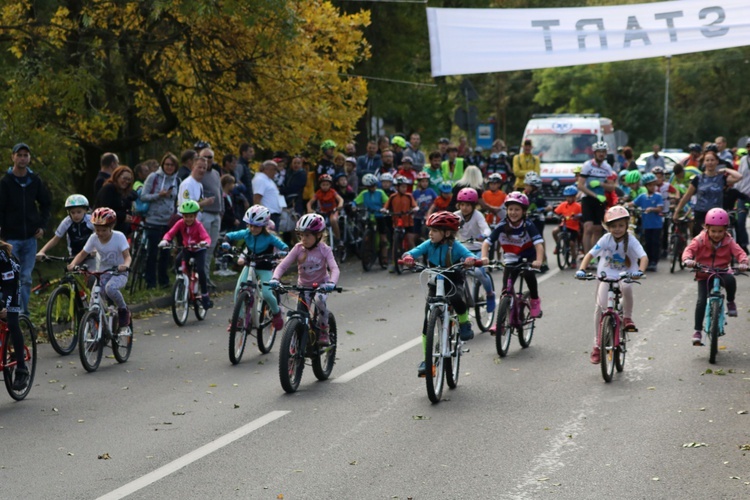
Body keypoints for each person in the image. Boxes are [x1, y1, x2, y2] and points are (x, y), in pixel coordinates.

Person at [400, 211, 478, 376]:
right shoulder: (428, 244)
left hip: (453, 280)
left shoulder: (455, 246)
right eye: (430, 230)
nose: (430, 233)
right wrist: (407, 257)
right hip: (435, 282)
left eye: (434, 230)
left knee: (457, 298)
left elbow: (469, 255)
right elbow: (413, 252)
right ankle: (426, 359)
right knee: (427, 319)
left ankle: (464, 323)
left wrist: (470, 260)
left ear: (447, 233)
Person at [576, 206, 647, 364]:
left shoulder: (631, 239)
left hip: (625, 275)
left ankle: (627, 318)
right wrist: (581, 269)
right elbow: (590, 255)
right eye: (613, 226)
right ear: (607, 227)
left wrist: (640, 271)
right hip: (605, 276)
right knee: (599, 307)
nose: (617, 229)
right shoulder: (605, 239)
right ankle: (597, 345)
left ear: (626, 225)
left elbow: (643, 257)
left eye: (621, 225)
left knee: (627, 287)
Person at [268, 214, 340, 346]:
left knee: (320, 300)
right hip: (303, 286)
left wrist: (331, 283)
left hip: (322, 286)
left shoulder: (325, 250)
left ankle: (324, 330)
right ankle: (299, 341)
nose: (303, 239)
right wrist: (275, 278)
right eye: (301, 235)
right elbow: (283, 265)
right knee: (300, 315)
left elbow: (334, 269)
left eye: (307, 235)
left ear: (318, 235)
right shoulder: (298, 248)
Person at [682, 208, 748, 345]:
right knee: (701, 302)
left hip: (722, 271)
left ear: (725, 230)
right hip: (704, 273)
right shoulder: (700, 239)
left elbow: (740, 252)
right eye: (713, 231)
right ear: (707, 228)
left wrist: (743, 262)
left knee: (731, 280)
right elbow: (689, 250)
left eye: (720, 231)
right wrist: (688, 260)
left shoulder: (729, 241)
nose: (717, 234)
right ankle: (698, 331)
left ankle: (730, 301)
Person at [0, 143, 52, 315]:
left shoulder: (34, 181)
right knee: (11, 276)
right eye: (19, 155)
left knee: (26, 277)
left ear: (29, 158)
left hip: (30, 238)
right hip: (11, 238)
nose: (22, 158)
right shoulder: (6, 182)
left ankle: (23, 312)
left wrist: (42, 226)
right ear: (13, 157)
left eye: (26, 155)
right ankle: (8, 311)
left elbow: (45, 204)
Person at [222, 205, 288, 331]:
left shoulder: (269, 237)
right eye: (250, 225)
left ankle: (276, 312)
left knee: (268, 294)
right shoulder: (246, 233)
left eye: (256, 226)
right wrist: (226, 242)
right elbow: (230, 235)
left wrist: (283, 252)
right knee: (238, 290)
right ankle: (240, 319)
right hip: (249, 264)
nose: (252, 229)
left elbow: (283, 246)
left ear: (263, 226)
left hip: (264, 266)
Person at [481, 192, 544, 319]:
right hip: (511, 256)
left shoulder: (529, 225)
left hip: (528, 256)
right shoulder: (502, 225)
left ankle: (535, 300)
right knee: (506, 290)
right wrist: (484, 257)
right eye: (510, 209)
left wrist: (538, 260)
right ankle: (501, 322)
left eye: (517, 209)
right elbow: (487, 243)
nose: (513, 212)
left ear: (524, 211)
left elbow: (538, 245)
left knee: (528, 274)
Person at [68, 207, 133, 329]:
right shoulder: (93, 238)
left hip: (119, 273)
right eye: (97, 230)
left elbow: (127, 257)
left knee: (110, 288)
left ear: (111, 227)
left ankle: (123, 310)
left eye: (104, 230)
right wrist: (73, 264)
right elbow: (83, 253)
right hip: (102, 273)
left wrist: (125, 266)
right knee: (93, 302)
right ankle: (93, 335)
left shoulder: (119, 237)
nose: (100, 233)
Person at [674, 150, 743, 237]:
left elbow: (739, 177)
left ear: (717, 161)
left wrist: (725, 169)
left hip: (717, 216)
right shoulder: (698, 179)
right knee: (700, 243)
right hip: (700, 215)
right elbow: (687, 196)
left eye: (712, 160)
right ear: (704, 162)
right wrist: (677, 211)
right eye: (707, 160)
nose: (710, 163)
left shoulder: (721, 178)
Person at [158, 200, 213, 310]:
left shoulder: (198, 225)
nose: (188, 219)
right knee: (178, 261)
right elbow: (170, 233)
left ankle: (205, 295)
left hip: (198, 250)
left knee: (201, 270)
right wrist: (165, 240)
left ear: (195, 216)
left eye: (191, 216)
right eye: (186, 216)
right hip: (187, 249)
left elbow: (206, 237)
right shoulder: (180, 223)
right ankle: (182, 281)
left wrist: (205, 243)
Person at [139, 153, 179, 289]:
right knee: (152, 252)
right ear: (163, 165)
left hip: (168, 221)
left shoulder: (176, 180)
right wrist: (158, 195)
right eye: (167, 164)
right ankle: (150, 282)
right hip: (153, 220)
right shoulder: (153, 177)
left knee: (165, 252)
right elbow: (143, 196)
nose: (169, 167)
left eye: (172, 165)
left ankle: (164, 281)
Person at [455, 188, 495, 312]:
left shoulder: (478, 216)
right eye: (462, 205)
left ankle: (490, 294)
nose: (464, 208)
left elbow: (486, 229)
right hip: (461, 249)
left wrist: (483, 236)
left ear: (473, 206)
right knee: (453, 271)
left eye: (467, 205)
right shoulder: (455, 215)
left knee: (478, 273)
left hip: (477, 249)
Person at [0, 239, 30, 390]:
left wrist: (3, 305)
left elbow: (8, 285)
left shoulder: (2, 257)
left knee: (11, 322)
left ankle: (21, 369)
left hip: (10, 285)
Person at [577, 141, 615, 256]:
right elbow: (580, 185)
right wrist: (594, 195)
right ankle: (586, 255)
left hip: (600, 200)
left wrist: (600, 184)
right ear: (594, 153)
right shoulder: (587, 165)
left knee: (598, 229)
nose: (601, 154)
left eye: (604, 152)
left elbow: (612, 186)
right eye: (599, 152)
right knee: (588, 227)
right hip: (588, 198)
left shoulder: (607, 167)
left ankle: (594, 256)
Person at [36, 195, 94, 267]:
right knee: (71, 275)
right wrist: (42, 251)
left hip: (91, 255)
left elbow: (99, 235)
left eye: (79, 212)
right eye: (73, 212)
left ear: (85, 210)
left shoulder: (91, 220)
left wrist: (96, 249)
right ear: (68, 212)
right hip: (73, 256)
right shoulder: (67, 222)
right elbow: (55, 239)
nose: (76, 215)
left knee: (91, 275)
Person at [197, 148, 224, 285]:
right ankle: (201, 277)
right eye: (205, 157)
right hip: (205, 212)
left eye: (210, 157)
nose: (208, 160)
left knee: (212, 246)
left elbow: (220, 191)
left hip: (216, 213)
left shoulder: (215, 173)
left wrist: (222, 209)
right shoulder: (199, 174)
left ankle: (206, 276)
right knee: (204, 247)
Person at [353, 173, 390, 263]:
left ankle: (384, 257)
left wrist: (384, 208)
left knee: (383, 238)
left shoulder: (380, 192)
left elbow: (387, 201)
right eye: (369, 187)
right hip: (369, 216)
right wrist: (354, 206)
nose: (371, 188)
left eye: (373, 186)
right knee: (367, 234)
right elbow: (355, 201)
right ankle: (368, 251)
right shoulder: (364, 193)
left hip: (379, 216)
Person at [384, 175, 418, 272]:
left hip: (408, 221)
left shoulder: (409, 196)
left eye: (405, 186)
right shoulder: (393, 196)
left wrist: (415, 209)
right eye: (402, 186)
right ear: (397, 187)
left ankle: (414, 262)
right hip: (396, 221)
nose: (404, 188)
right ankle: (394, 263)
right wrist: (384, 210)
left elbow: (415, 205)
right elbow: (386, 206)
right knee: (395, 241)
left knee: (410, 240)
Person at [630, 173, 664, 272]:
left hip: (656, 225)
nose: (652, 187)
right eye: (650, 185)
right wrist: (625, 204)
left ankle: (654, 261)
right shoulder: (642, 197)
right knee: (647, 242)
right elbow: (633, 203)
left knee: (655, 243)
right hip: (646, 224)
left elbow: (660, 208)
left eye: (654, 185)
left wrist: (652, 209)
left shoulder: (658, 196)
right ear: (646, 186)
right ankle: (647, 261)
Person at [95, 165, 137, 236]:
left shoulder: (124, 192)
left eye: (129, 179)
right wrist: (123, 217)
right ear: (117, 177)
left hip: (121, 230)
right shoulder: (108, 189)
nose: (126, 181)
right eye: (124, 178)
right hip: (107, 230)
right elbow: (104, 210)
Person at [523, 171, 549, 272]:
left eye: (527, 185)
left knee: (538, 240)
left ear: (534, 186)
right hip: (528, 220)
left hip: (538, 220)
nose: (525, 187)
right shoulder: (525, 195)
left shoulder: (539, 196)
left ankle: (543, 261)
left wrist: (541, 210)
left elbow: (548, 206)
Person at [307, 174, 344, 244]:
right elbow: (309, 203)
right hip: (323, 212)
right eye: (323, 185)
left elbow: (340, 199)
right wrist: (309, 209)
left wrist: (340, 205)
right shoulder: (318, 193)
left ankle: (338, 239)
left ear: (330, 185)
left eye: (327, 185)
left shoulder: (332, 192)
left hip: (333, 211)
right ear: (320, 185)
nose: (325, 187)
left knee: (333, 220)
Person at [551, 186, 581, 261]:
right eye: (567, 197)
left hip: (573, 227)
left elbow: (582, 214)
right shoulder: (563, 205)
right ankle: (558, 246)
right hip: (564, 225)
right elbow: (556, 212)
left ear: (574, 197)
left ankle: (573, 258)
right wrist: (555, 215)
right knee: (554, 231)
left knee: (571, 243)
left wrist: (577, 216)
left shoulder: (578, 206)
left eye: (570, 197)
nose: (568, 199)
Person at [252, 160, 284, 228]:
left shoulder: (268, 180)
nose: (275, 173)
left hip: (274, 215)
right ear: (266, 169)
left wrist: (283, 206)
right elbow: (256, 199)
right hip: (268, 216)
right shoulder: (260, 179)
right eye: (274, 170)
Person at [734, 139, 750, 253]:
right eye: (748, 146)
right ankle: (743, 246)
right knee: (740, 222)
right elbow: (739, 177)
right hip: (743, 196)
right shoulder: (743, 160)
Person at [412, 172, 437, 238]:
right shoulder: (415, 193)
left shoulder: (430, 191)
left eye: (426, 181)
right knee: (416, 234)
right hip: (418, 216)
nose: (425, 183)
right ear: (419, 182)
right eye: (423, 181)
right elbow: (412, 203)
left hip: (429, 215)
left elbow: (436, 201)